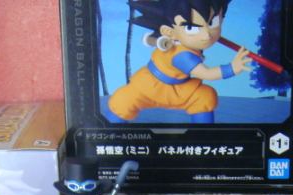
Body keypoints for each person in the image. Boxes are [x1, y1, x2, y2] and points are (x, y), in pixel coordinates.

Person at [108, 0, 253, 123]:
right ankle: (111, 133)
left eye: (213, 22)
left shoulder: (181, 42)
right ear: (169, 31)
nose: (207, 35)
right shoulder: (183, 55)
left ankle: (203, 134)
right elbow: (206, 73)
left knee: (204, 96)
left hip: (181, 88)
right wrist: (232, 68)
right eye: (191, 27)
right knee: (123, 101)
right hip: (149, 88)